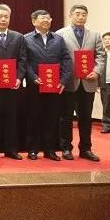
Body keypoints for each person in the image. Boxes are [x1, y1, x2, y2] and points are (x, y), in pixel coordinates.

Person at [56, 5, 104, 162]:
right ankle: (65, 148)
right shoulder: (60, 34)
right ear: (70, 15)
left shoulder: (95, 35)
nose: (81, 17)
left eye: (84, 14)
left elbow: (101, 56)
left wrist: (97, 71)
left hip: (88, 82)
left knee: (86, 118)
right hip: (69, 83)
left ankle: (86, 149)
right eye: (77, 14)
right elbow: (57, 57)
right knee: (66, 117)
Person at [24, 10, 72, 161]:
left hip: (54, 86)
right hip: (34, 86)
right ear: (34, 21)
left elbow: (66, 59)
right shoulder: (26, 39)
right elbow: (24, 61)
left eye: (48, 18)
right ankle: (33, 149)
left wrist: (63, 80)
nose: (46, 20)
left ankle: (49, 150)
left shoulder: (58, 39)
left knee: (51, 118)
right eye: (42, 18)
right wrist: (33, 77)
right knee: (34, 118)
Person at [0, 4, 27, 160]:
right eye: (0, 16)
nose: (3, 19)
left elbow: (23, 60)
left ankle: (11, 149)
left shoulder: (18, 37)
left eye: (6, 17)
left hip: (12, 85)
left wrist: (19, 77)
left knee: (11, 118)